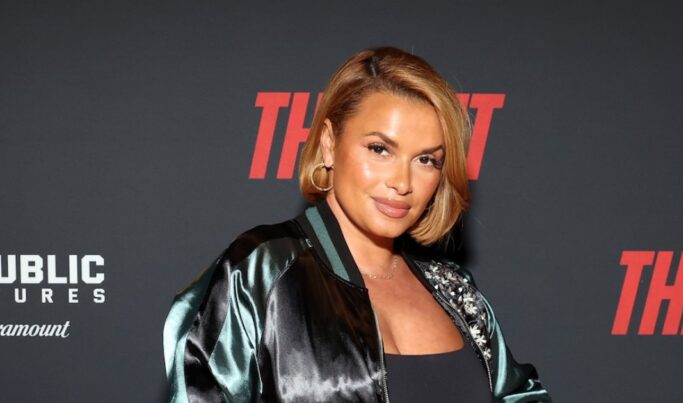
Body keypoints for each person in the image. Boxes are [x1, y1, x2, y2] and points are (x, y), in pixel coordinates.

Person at [163, 46, 551, 403]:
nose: (402, 182)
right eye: (380, 149)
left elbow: (520, 395)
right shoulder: (261, 271)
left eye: (426, 160)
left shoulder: (453, 289)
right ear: (329, 144)